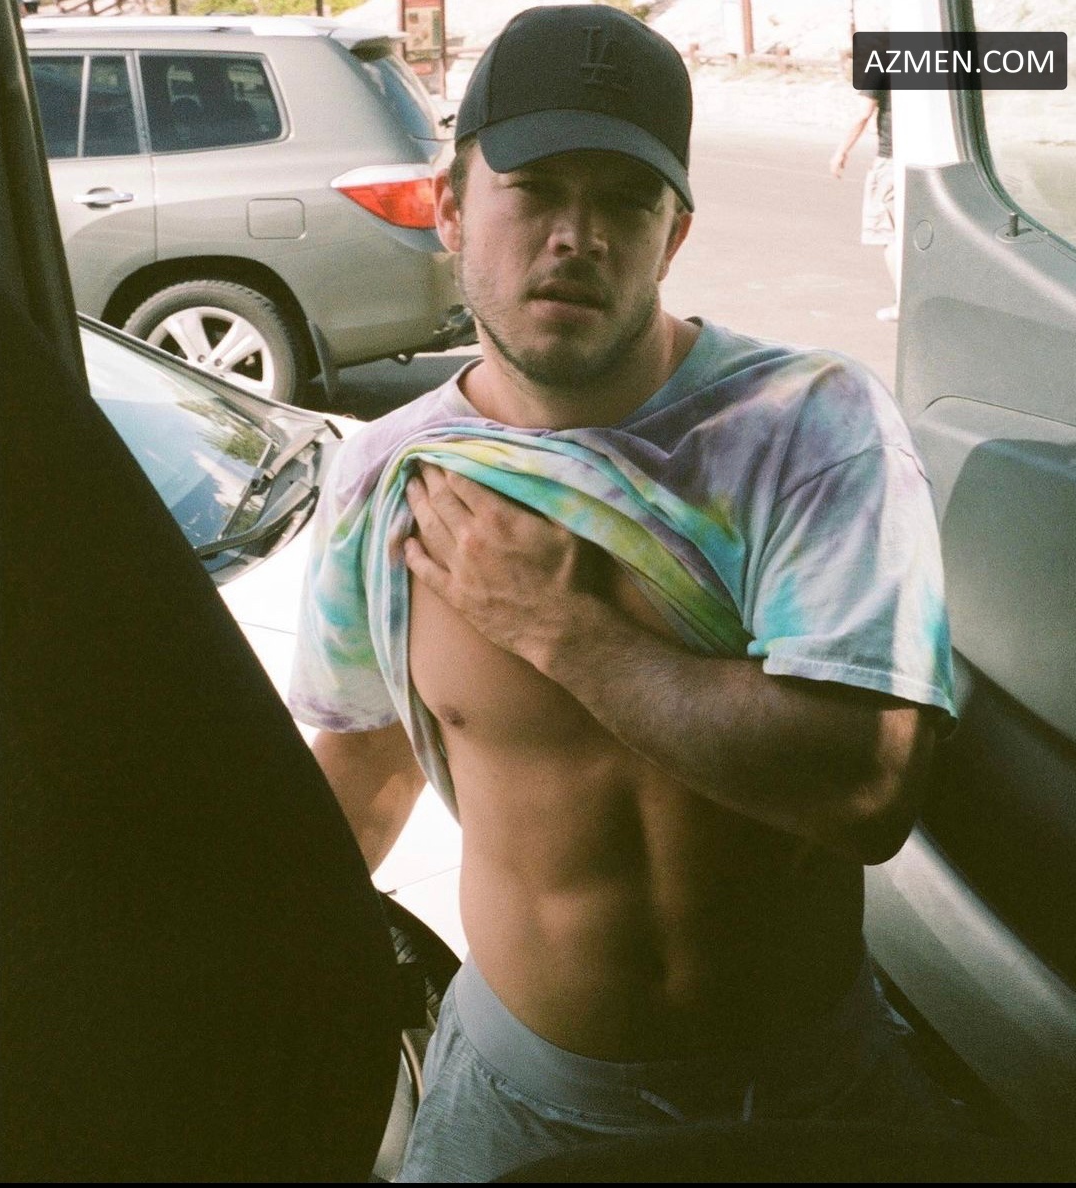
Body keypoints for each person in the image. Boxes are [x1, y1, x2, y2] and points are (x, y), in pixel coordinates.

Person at [289, 6, 960, 1181]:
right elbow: (361, 778)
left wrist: (562, 629)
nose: (577, 237)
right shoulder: (390, 480)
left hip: (811, 1089)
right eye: (537, 190)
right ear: (452, 208)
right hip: (523, 1102)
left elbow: (866, 788)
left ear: (675, 232)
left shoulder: (807, 428)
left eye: (625, 200)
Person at [830, 86, 898, 321]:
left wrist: (841, 151)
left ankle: (902, 303)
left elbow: (863, 113)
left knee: (890, 234)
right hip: (927, 158)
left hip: (891, 160)